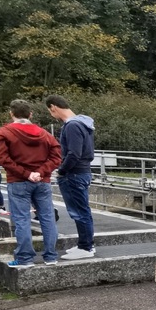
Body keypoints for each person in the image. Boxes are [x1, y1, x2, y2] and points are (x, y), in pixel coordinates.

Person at [0, 99, 61, 268]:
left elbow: (2, 158)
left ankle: (25, 259)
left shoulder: (4, 133)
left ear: (11, 114)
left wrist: (26, 173)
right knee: (47, 218)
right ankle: (51, 256)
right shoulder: (45, 134)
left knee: (22, 219)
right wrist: (41, 172)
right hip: (42, 181)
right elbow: (56, 156)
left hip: (18, 181)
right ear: (31, 114)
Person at [45, 94, 96, 259]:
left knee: (79, 212)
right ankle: (85, 244)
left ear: (53, 107)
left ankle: (86, 248)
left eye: (50, 111)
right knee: (83, 211)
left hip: (74, 173)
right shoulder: (83, 123)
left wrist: (61, 170)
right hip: (83, 171)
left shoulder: (72, 126)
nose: (52, 115)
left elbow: (74, 153)